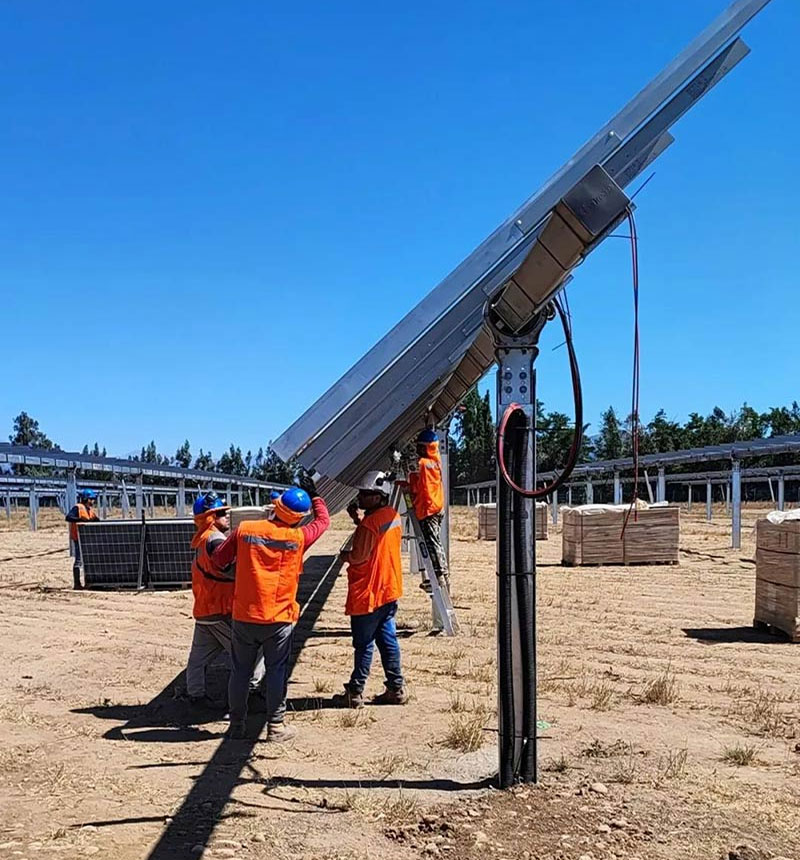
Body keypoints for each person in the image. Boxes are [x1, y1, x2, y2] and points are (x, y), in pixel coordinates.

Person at [213, 475, 330, 742]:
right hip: (279, 618)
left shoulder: (245, 530)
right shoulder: (299, 537)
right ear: (300, 518)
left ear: (275, 508)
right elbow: (323, 522)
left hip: (244, 615)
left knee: (240, 671)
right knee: (276, 671)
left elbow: (220, 560)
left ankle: (236, 726)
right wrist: (316, 496)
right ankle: (275, 727)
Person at [333, 471, 407, 708]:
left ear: (378, 497)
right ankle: (396, 688)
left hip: (369, 593)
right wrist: (358, 521)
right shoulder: (392, 516)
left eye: (365, 494)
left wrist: (343, 556)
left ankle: (355, 691)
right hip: (388, 589)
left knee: (363, 643)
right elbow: (375, 539)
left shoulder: (369, 524)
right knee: (387, 639)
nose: (361, 498)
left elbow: (359, 555)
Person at [185, 491, 265, 708]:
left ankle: (195, 695)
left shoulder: (202, 538)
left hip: (204, 610)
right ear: (209, 518)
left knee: (198, 659)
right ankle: (253, 693)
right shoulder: (214, 539)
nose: (227, 515)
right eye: (221, 513)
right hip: (220, 609)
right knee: (250, 651)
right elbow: (232, 570)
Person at [407, 429, 450, 590]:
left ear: (426, 448)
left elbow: (413, 475)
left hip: (428, 508)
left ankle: (439, 577)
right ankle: (442, 574)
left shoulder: (422, 464)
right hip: (436, 506)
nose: (417, 450)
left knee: (432, 543)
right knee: (436, 542)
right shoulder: (435, 460)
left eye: (419, 447)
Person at [65, 489, 99, 589]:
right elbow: (68, 517)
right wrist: (80, 520)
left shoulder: (90, 511)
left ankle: (90, 581)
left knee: (88, 560)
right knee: (79, 560)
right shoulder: (78, 508)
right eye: (91, 499)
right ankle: (77, 583)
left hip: (88, 539)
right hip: (78, 538)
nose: (93, 501)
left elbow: (96, 520)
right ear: (86, 499)